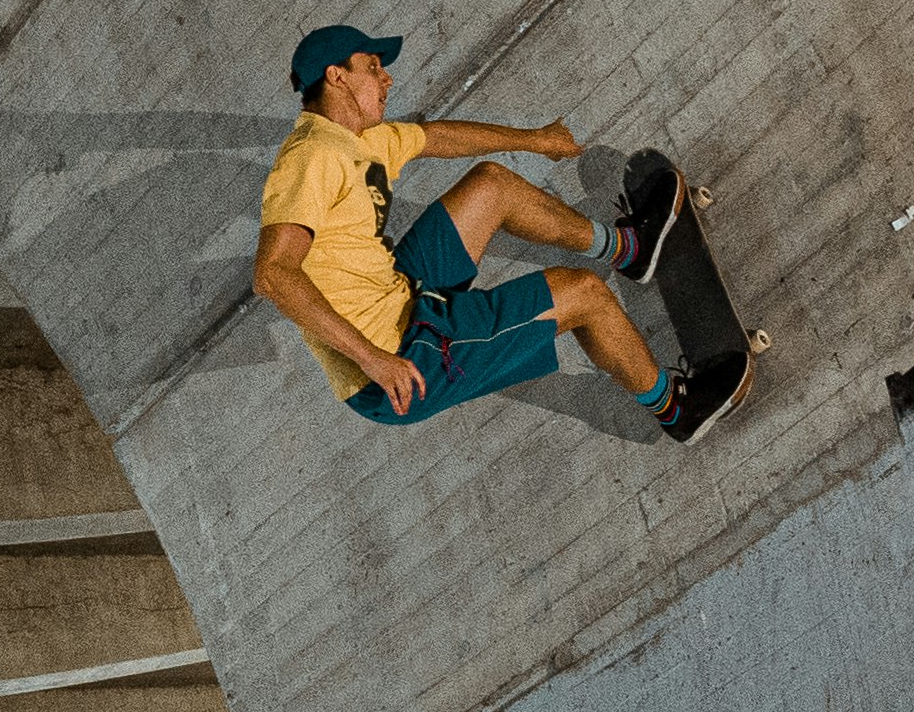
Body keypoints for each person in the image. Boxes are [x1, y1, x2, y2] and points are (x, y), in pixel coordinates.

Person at [257, 24, 741, 443]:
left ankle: (629, 249)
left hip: (398, 289)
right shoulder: (311, 158)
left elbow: (439, 137)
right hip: (398, 357)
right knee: (584, 295)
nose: (386, 78)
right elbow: (275, 276)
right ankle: (678, 411)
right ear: (336, 76)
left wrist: (534, 140)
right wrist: (375, 360)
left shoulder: (359, 138)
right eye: (373, 67)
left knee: (491, 185)